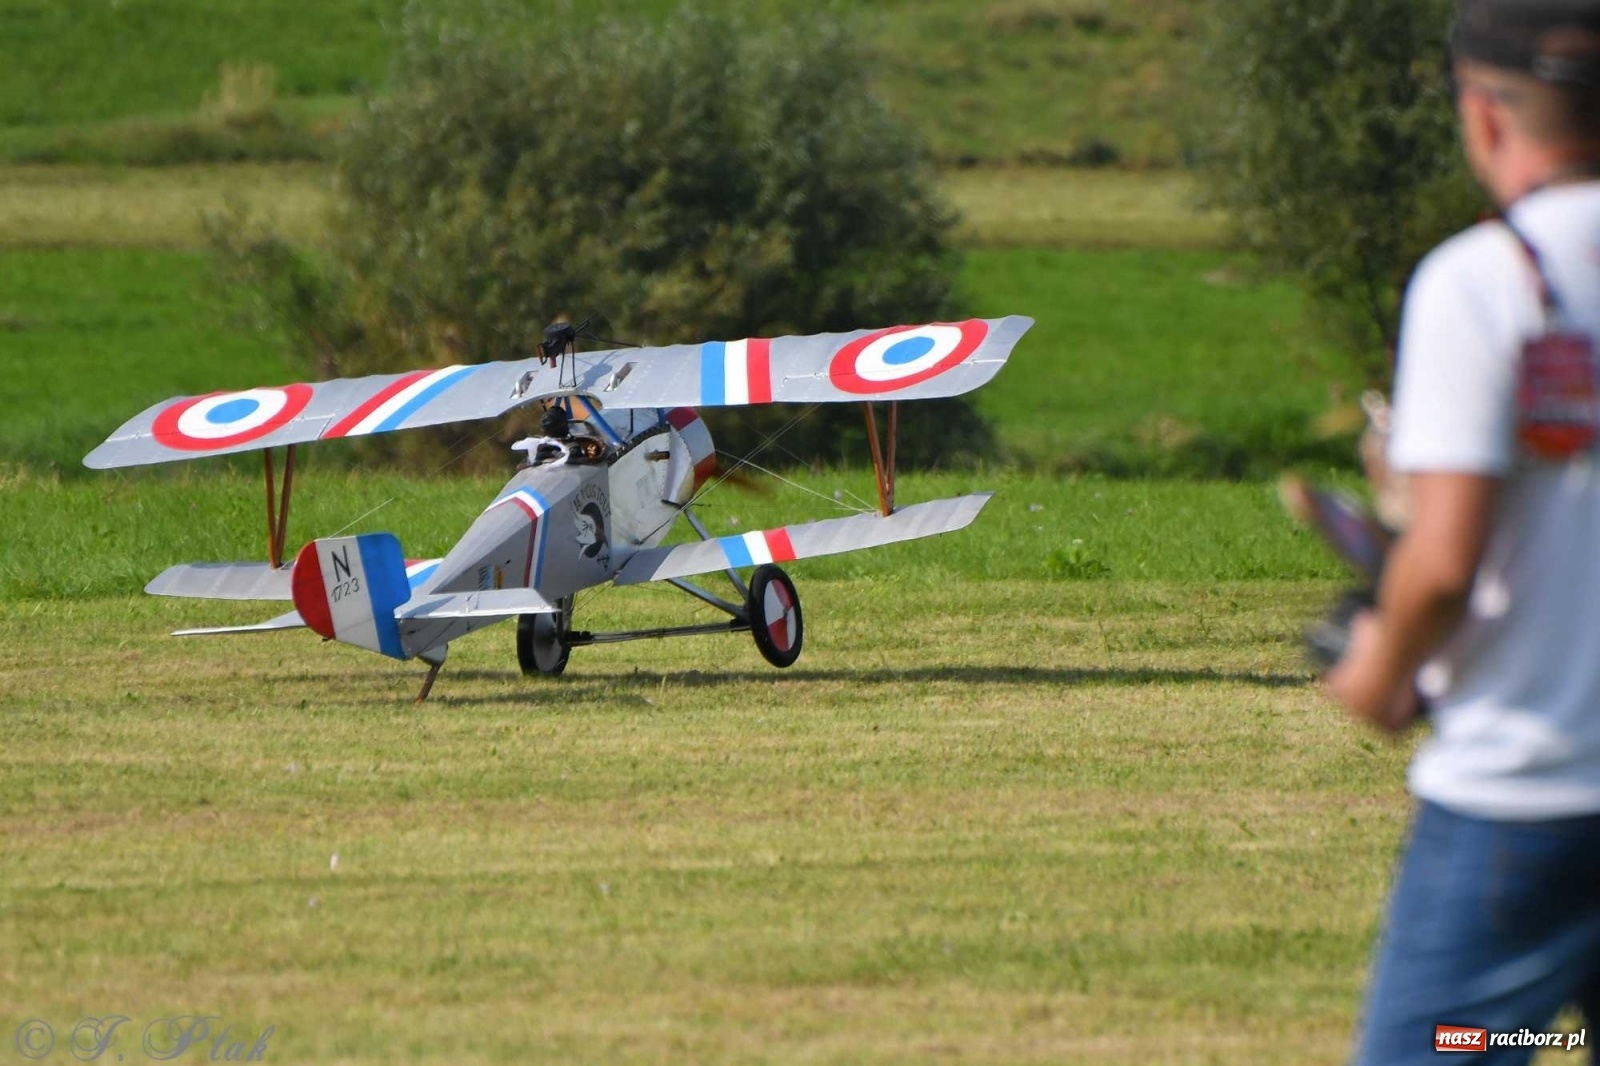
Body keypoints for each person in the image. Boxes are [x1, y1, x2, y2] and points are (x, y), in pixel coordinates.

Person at [1323, 0, 1600, 1061]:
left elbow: (1441, 564)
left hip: (1521, 799)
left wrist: (1379, 669)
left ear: (1483, 116)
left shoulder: (1479, 281)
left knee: (1446, 1045)